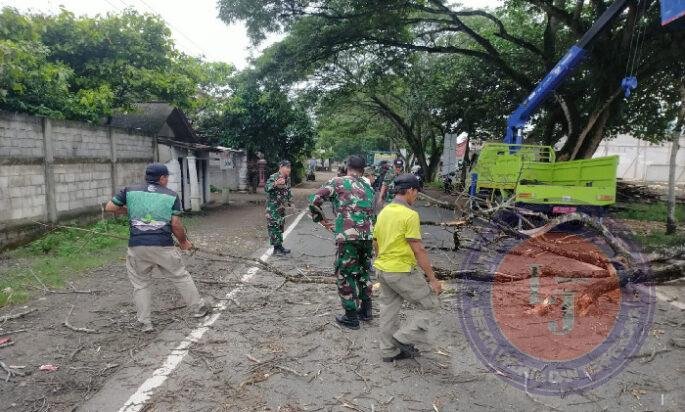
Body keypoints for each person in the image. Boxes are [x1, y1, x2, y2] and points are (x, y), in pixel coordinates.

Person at [104, 163, 209, 333]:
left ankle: (145, 323)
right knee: (180, 275)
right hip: (163, 245)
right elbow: (176, 224)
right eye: (167, 177)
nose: (167, 180)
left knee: (140, 284)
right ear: (162, 178)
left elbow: (110, 207)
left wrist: (130, 210)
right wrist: (183, 242)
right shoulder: (171, 196)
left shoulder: (129, 190)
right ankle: (199, 309)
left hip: (137, 246)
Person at [373, 173, 442, 362]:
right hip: (401, 271)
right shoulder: (410, 215)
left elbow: (376, 241)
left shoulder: (384, 212)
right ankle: (403, 338)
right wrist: (432, 279)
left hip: (382, 269)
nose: (416, 196)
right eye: (416, 192)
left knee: (388, 310)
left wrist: (381, 260)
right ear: (410, 190)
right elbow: (418, 249)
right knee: (431, 305)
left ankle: (388, 351)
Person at [309, 155, 375, 329]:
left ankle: (351, 317)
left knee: (345, 274)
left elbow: (315, 200)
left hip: (348, 237)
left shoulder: (337, 182)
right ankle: (366, 310)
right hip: (367, 236)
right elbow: (372, 212)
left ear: (347, 167)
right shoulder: (368, 186)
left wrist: (320, 219)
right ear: (363, 170)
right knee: (363, 271)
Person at [265, 160, 293, 255]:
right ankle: (276, 249)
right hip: (273, 208)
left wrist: (291, 202)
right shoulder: (274, 177)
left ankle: (279, 247)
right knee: (274, 227)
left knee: (280, 227)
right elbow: (266, 188)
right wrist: (275, 184)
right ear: (281, 167)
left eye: (290, 167)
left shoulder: (287, 179)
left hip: (281, 208)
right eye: (287, 167)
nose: (289, 169)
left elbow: (288, 191)